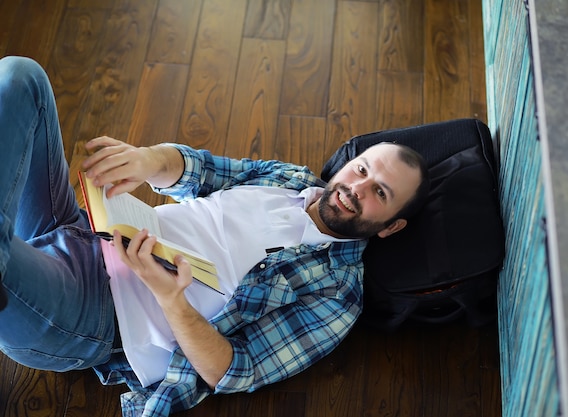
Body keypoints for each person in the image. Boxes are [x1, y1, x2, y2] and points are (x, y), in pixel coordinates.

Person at [0, 56, 429, 416]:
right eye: (362, 169)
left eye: (380, 193)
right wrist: (147, 161)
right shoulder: (290, 179)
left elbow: (236, 369)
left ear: (391, 225)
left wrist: (171, 300)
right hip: (85, 231)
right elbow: (202, 170)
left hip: (93, 315)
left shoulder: (337, 296)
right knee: (23, 78)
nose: (357, 188)